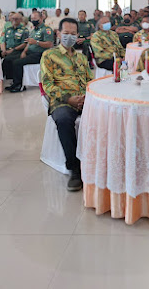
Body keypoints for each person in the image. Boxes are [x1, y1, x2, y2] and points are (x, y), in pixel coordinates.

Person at [41, 17, 93, 191]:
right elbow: (47, 84)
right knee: (63, 119)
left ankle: (97, 161)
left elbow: (90, 81)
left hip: (84, 100)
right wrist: (68, 98)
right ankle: (74, 168)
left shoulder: (81, 58)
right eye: (66, 33)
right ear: (58, 33)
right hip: (62, 101)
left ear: (77, 35)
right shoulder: (49, 55)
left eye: (73, 34)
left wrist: (87, 96)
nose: (69, 37)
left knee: (106, 113)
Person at [9, 11, 53, 92]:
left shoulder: (46, 29)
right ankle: (14, 82)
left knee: (17, 63)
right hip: (29, 52)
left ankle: (19, 85)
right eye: (32, 19)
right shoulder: (33, 30)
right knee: (9, 59)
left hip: (39, 54)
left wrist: (36, 42)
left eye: (35, 18)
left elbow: (49, 44)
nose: (33, 20)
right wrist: (24, 52)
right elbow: (29, 43)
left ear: (41, 18)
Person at [1, 13, 29, 82]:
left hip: (17, 50)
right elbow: (3, 41)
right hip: (7, 50)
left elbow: (24, 44)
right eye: (12, 18)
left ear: (20, 20)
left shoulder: (24, 30)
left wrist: (12, 50)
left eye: (16, 19)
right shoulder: (8, 29)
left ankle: (5, 80)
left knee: (6, 60)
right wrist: (3, 50)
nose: (14, 20)